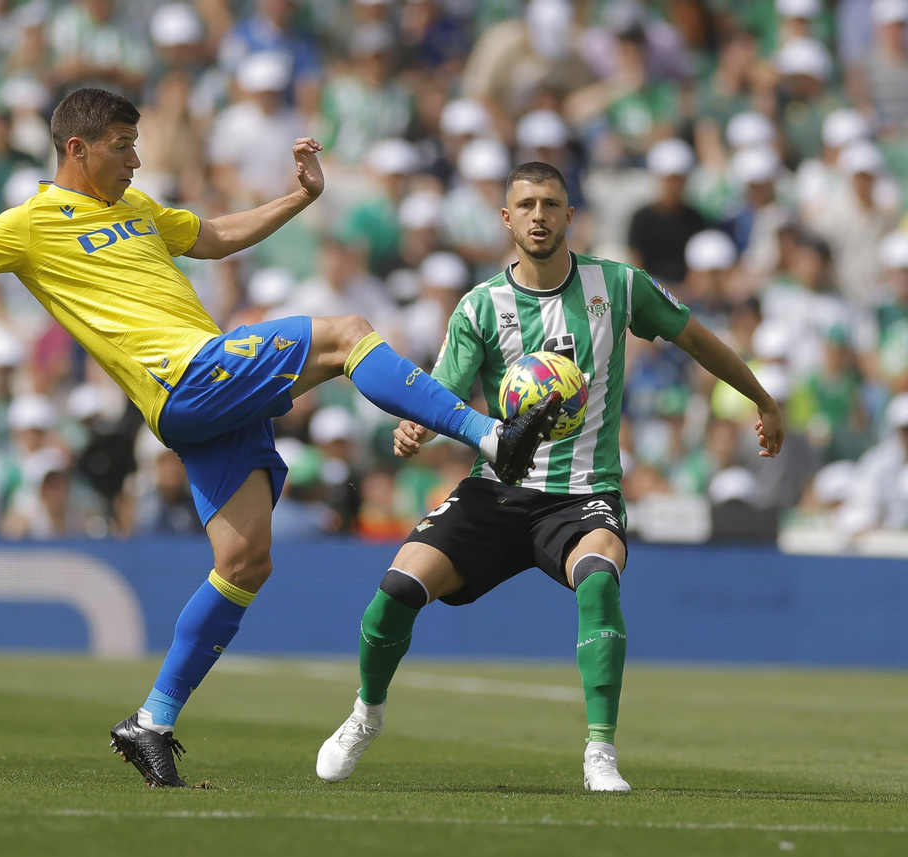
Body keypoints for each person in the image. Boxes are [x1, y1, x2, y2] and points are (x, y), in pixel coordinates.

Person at [0, 87, 560, 787]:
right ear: (78, 148)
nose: (136, 159)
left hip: (211, 398)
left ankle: (151, 720)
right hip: (184, 377)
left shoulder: (136, 210)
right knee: (347, 331)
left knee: (245, 562)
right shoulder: (34, 222)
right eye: (122, 146)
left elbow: (211, 236)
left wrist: (299, 199)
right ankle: (494, 437)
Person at [313, 161, 784, 793]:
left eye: (551, 204)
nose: (539, 215)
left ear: (570, 215)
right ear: (507, 218)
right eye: (527, 204)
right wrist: (416, 428)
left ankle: (600, 752)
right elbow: (441, 394)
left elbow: (697, 339)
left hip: (584, 493)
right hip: (495, 491)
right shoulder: (481, 307)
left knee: (598, 582)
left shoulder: (617, 287)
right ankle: (366, 713)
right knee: (396, 590)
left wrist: (762, 399)